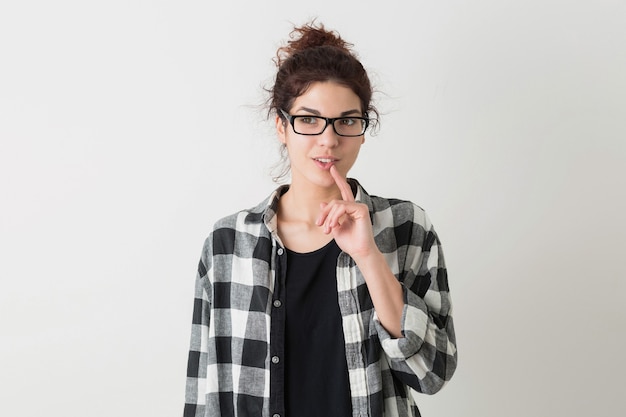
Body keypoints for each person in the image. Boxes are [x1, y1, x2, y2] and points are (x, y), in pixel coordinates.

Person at [184, 21, 457, 417]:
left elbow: (432, 373)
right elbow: (203, 387)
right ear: (282, 126)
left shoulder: (406, 227)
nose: (329, 140)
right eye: (309, 120)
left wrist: (368, 256)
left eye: (347, 121)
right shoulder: (228, 243)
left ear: (364, 130)